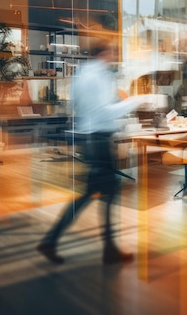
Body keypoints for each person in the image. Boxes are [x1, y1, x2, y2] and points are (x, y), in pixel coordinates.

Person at [37, 38, 145, 264]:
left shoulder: (82, 74)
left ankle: (55, 241)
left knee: (95, 193)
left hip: (89, 138)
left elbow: (75, 105)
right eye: (113, 50)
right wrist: (136, 101)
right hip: (98, 140)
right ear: (104, 52)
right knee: (107, 192)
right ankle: (106, 249)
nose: (115, 55)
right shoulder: (98, 76)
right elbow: (103, 112)